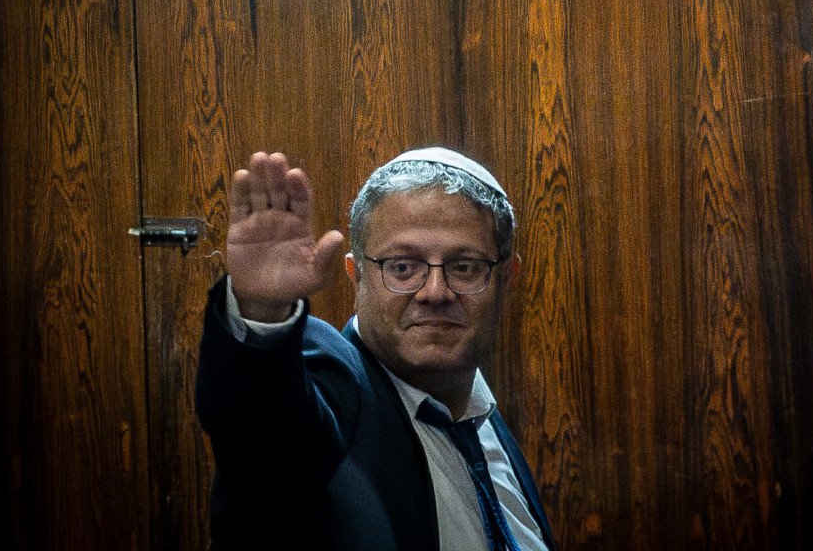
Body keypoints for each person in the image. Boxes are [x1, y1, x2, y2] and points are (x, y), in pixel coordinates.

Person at [195, 148, 558, 551]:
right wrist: (262, 313)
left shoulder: (480, 416)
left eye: (465, 267)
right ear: (357, 276)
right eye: (402, 267)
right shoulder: (333, 391)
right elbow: (260, 430)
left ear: (507, 278)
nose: (435, 292)